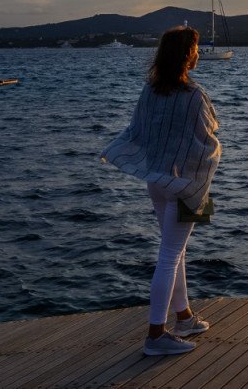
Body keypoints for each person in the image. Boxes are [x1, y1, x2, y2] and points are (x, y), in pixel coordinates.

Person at [100, 25, 222, 357]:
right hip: (185, 185)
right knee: (169, 255)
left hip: (157, 181)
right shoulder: (195, 95)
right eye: (195, 49)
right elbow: (207, 137)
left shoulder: (150, 91)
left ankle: (184, 318)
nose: (198, 55)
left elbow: (137, 131)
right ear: (186, 56)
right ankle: (156, 335)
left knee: (174, 251)